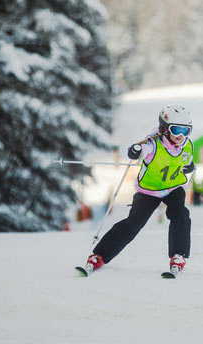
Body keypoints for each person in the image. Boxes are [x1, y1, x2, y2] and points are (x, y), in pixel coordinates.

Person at [83, 104, 195, 276]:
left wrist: (188, 167)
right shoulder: (153, 144)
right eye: (176, 130)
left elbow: (186, 161)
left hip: (173, 188)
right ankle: (100, 255)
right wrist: (135, 151)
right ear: (165, 128)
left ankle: (178, 256)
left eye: (186, 131)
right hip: (148, 191)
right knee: (133, 224)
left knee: (181, 215)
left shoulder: (187, 145)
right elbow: (142, 149)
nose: (181, 136)